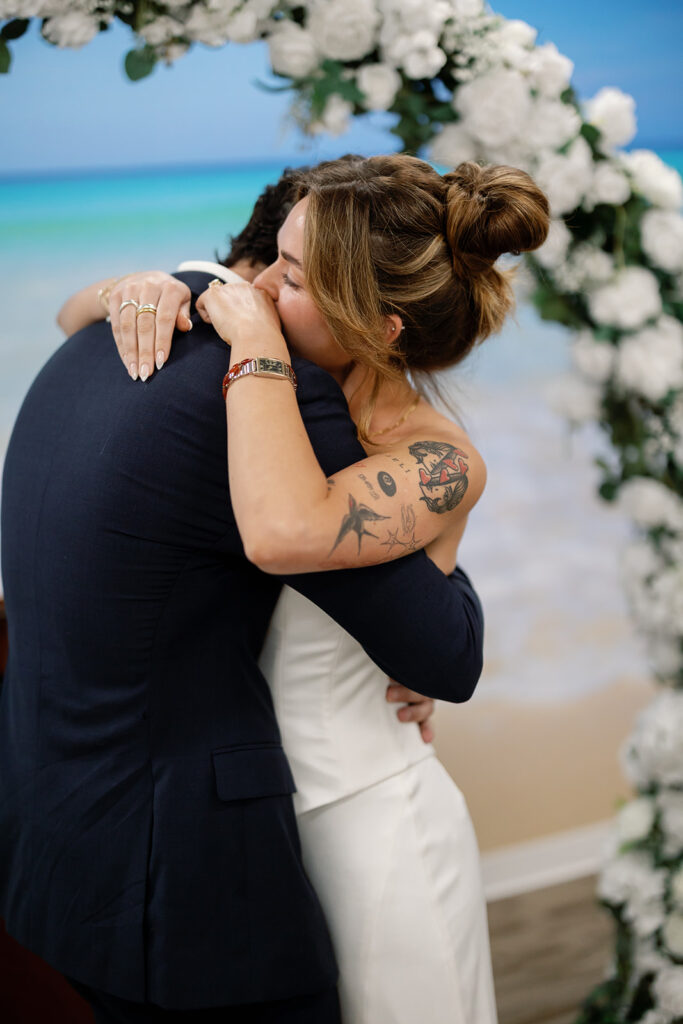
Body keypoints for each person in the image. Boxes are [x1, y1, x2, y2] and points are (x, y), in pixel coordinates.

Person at [61, 154, 550, 1023]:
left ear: (381, 325)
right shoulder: (294, 384)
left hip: (370, 821)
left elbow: (285, 532)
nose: (254, 284)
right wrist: (147, 288)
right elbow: (71, 316)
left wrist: (251, 345)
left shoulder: (435, 459)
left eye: (289, 274)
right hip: (253, 822)